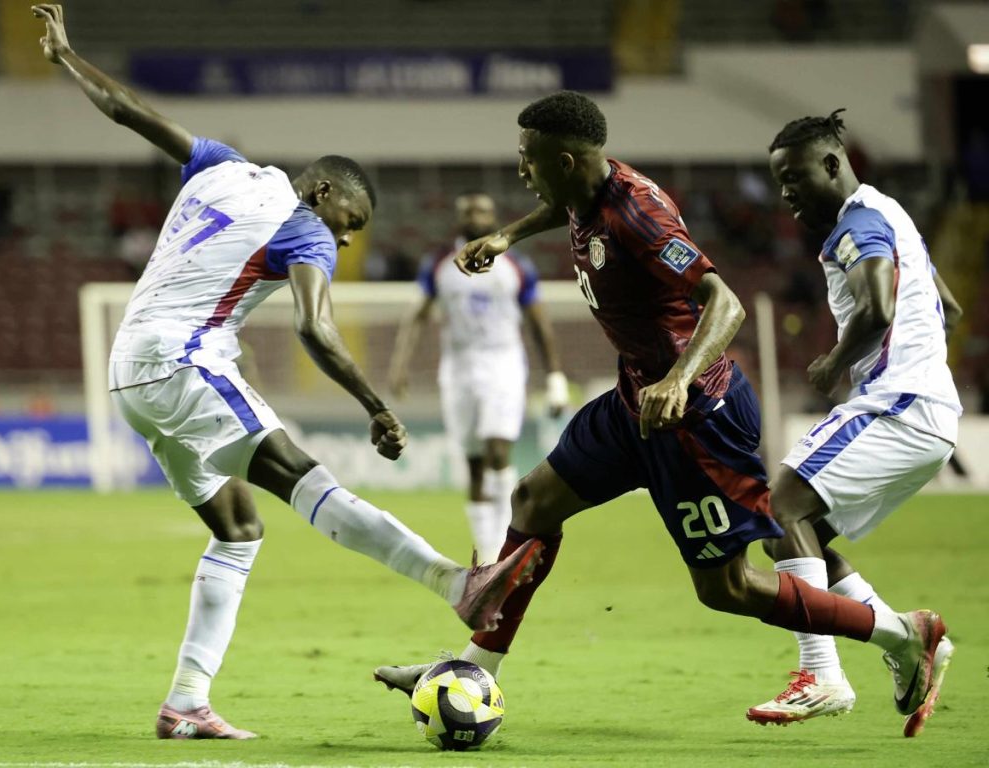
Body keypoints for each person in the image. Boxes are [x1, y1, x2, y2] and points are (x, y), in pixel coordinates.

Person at [32, 4, 542, 740]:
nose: (345, 237)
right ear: (325, 191)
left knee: (238, 529)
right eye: (351, 221)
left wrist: (66, 57)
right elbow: (315, 326)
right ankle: (454, 583)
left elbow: (128, 111)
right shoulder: (304, 227)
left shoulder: (224, 165)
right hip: (183, 361)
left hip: (130, 369)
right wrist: (376, 405)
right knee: (308, 481)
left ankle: (185, 703)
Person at [373, 91, 946, 727]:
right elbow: (562, 207)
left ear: (564, 161)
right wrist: (508, 234)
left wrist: (678, 379)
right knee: (533, 501)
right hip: (635, 400)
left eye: (527, 159)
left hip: (695, 414)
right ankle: (474, 668)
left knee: (725, 588)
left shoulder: (639, 214)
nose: (520, 171)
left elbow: (723, 303)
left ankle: (900, 635)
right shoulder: (583, 189)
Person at [747, 109, 960, 736]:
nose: (785, 193)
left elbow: (877, 305)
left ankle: (823, 675)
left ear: (834, 164)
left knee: (777, 505)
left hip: (899, 403)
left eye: (794, 176)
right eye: (779, 181)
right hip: (924, 405)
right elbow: (946, 305)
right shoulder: (893, 215)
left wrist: (835, 362)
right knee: (797, 530)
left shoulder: (858, 223)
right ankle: (907, 639)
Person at [389, 191, 569, 562]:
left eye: (483, 209)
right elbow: (417, 315)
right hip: (458, 369)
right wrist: (400, 364)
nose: (476, 214)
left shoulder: (515, 265)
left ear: (493, 215)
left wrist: (554, 375)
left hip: (503, 364)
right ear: (458, 217)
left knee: (497, 451)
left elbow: (539, 322)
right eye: (468, 209)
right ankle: (488, 555)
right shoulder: (440, 264)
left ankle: (508, 547)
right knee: (473, 464)